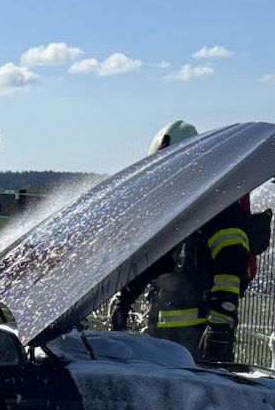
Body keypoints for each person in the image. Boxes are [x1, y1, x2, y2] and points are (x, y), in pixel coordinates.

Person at [107, 120, 254, 363]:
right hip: (161, 337)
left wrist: (220, 323)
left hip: (203, 338)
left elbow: (231, 263)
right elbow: (155, 259)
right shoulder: (174, 211)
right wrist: (125, 296)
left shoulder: (217, 207)